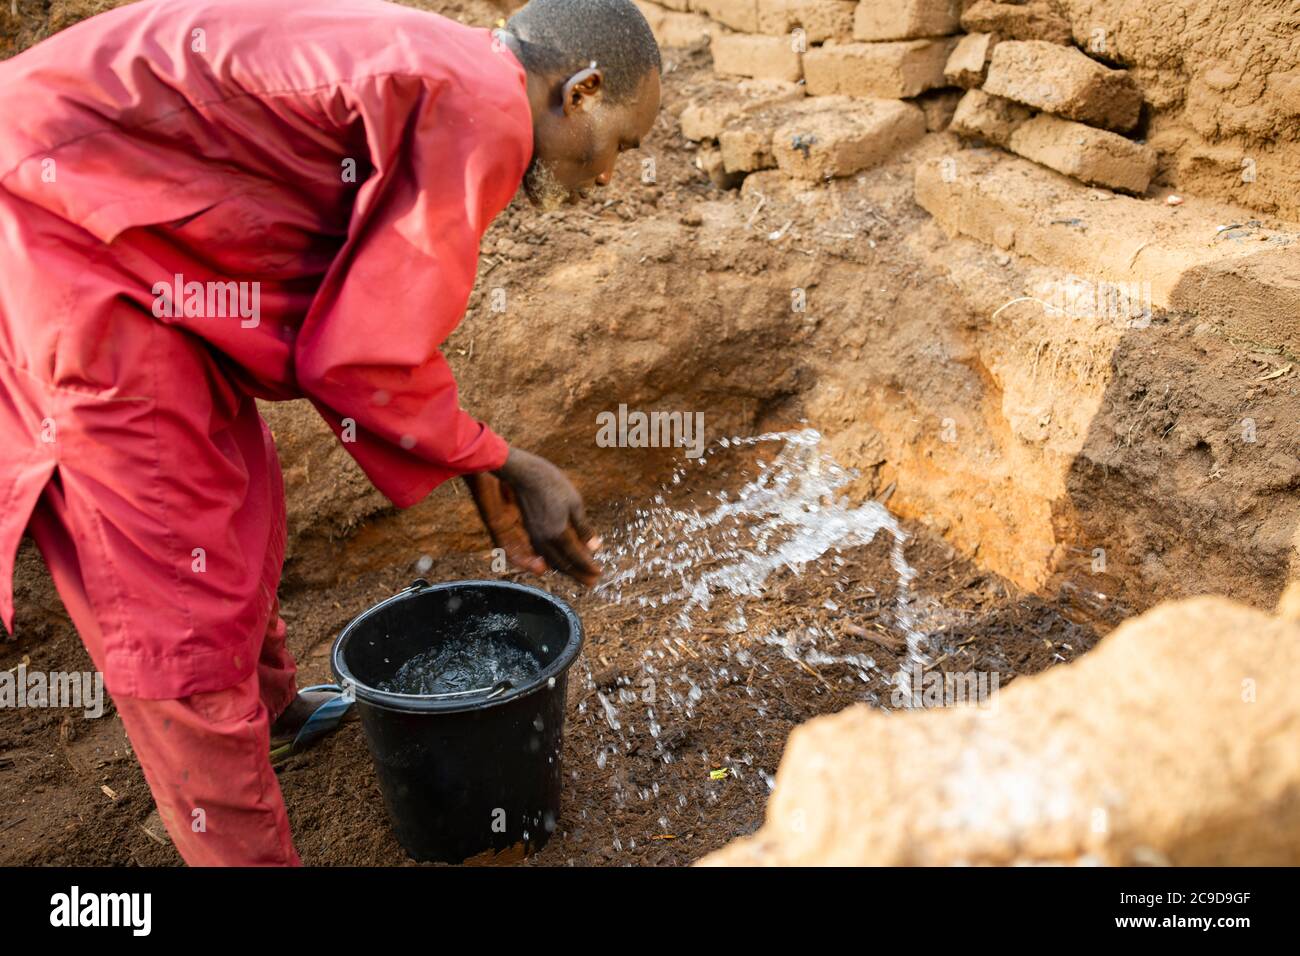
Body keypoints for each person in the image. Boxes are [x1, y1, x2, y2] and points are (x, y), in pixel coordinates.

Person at [0, 0, 661, 865]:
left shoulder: (457, 73)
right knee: (174, 604)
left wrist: (474, 463)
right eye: (626, 142)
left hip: (127, 234)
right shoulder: (487, 109)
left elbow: (352, 328)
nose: (612, 174)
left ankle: (273, 715)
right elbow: (357, 361)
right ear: (581, 90)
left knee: (242, 497)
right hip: (67, 244)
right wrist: (505, 459)